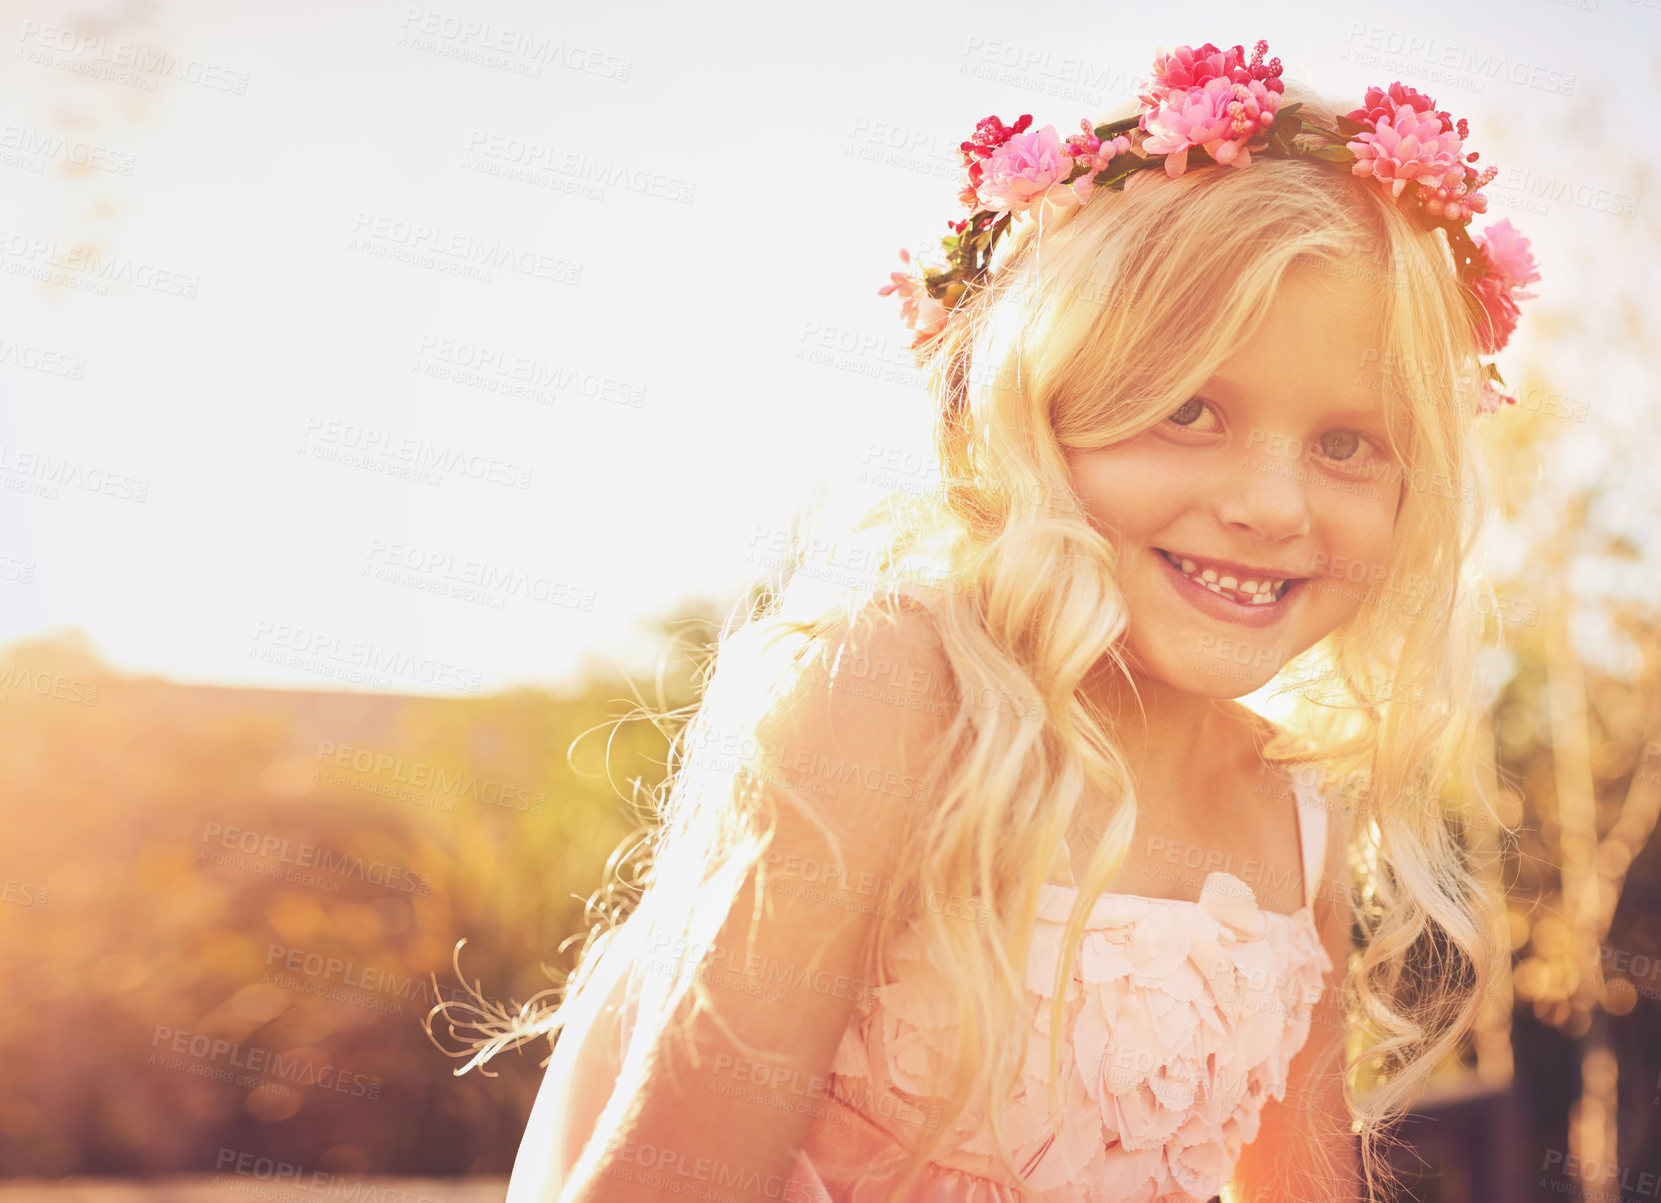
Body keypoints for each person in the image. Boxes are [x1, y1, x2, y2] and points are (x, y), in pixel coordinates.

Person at [436, 40, 1537, 1203]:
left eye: (1345, 445)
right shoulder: (897, 698)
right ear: (1030, 408)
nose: (1272, 506)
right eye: (1187, 409)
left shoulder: (1292, 813)